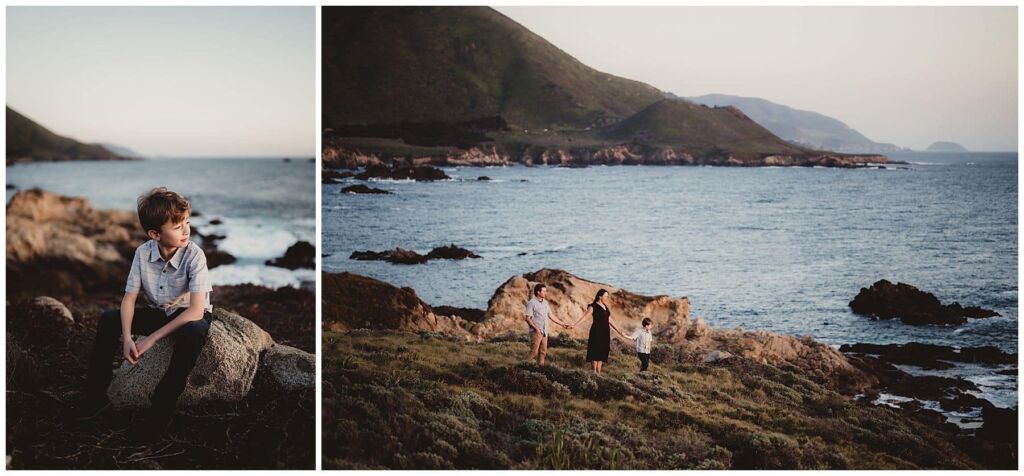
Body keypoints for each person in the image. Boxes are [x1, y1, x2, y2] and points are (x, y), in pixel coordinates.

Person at [76, 187, 214, 440]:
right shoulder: (142, 253)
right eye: (177, 226)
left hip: (188, 315)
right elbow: (129, 298)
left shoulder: (195, 254)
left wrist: (151, 339)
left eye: (187, 223)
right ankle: (94, 396)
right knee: (109, 319)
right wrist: (127, 337)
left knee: (193, 333)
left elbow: (196, 310)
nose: (186, 231)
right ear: (155, 234)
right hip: (159, 311)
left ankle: (162, 408)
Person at [570, 289, 628, 373]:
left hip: (605, 333)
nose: (607, 298)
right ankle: (594, 373)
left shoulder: (605, 306)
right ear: (600, 297)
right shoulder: (593, 306)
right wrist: (574, 325)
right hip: (596, 332)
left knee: (602, 353)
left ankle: (599, 373)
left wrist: (618, 331)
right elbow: (585, 317)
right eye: (606, 296)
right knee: (595, 352)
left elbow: (609, 320)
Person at [524, 283, 572, 365]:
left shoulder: (545, 303)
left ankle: (540, 369)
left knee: (543, 352)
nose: (545, 293)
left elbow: (551, 315)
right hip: (536, 331)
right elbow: (528, 318)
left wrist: (562, 324)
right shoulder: (531, 303)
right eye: (544, 291)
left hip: (544, 331)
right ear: (538, 292)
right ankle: (521, 367)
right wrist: (536, 329)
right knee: (534, 352)